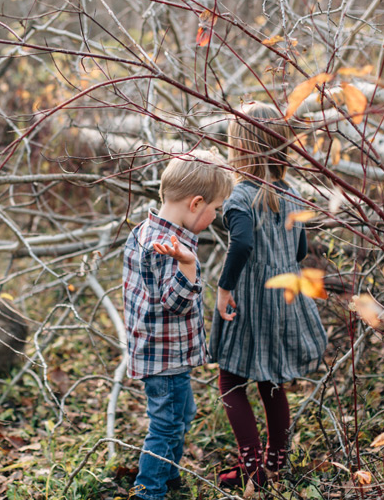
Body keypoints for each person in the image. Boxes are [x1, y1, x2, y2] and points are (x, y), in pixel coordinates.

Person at [210, 103, 327, 488]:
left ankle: (254, 469)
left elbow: (241, 244)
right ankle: (275, 461)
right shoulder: (291, 195)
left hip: (250, 303)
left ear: (239, 148)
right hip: (284, 299)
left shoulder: (240, 198)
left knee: (231, 381)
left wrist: (225, 287)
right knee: (271, 380)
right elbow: (298, 250)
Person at [123, 148, 234, 500]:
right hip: (165, 358)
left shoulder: (144, 229)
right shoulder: (169, 246)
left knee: (181, 414)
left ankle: (169, 477)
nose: (216, 216)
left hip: (160, 352)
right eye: (215, 208)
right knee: (167, 424)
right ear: (196, 203)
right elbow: (175, 302)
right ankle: (149, 490)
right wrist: (188, 266)